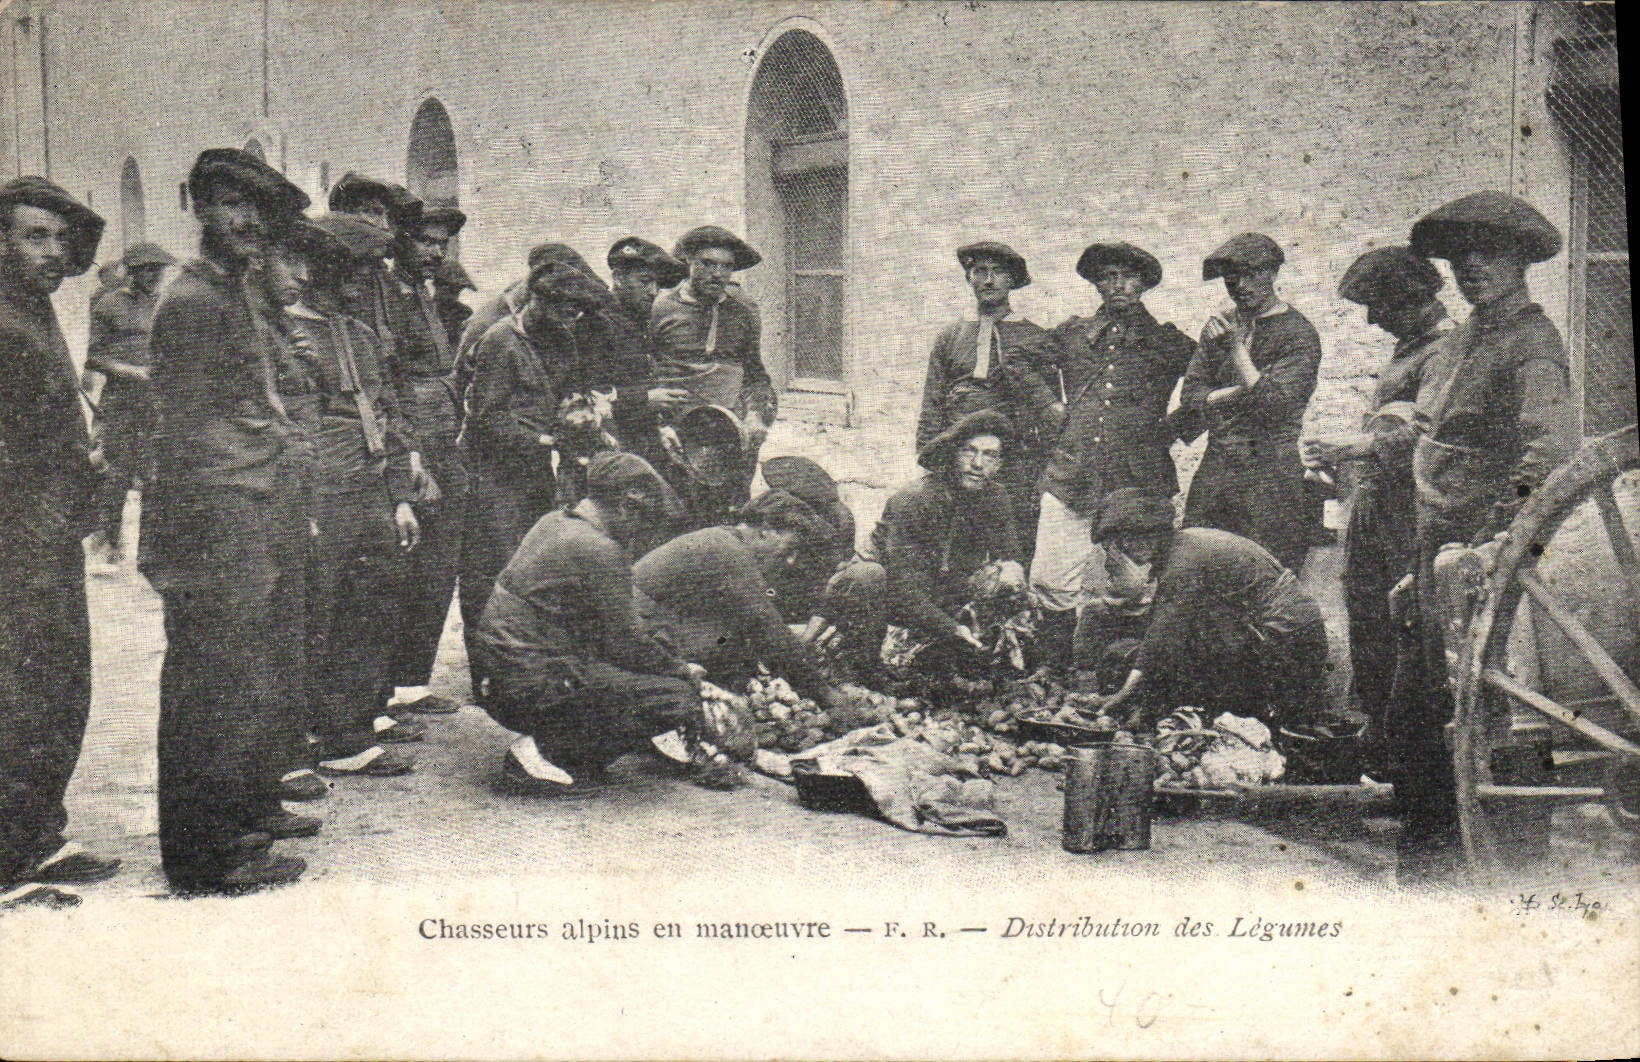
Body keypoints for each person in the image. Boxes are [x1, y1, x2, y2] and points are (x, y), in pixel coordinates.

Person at [1389, 191, 1577, 883]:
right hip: (1434, 549)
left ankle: (1512, 867)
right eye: (1461, 257)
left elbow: (1552, 449)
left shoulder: (1533, 341)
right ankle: (1429, 868)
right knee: (1418, 713)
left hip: (1485, 556)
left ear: (1521, 262)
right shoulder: (1464, 339)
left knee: (1500, 716)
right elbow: (1439, 435)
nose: (1472, 268)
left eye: (1489, 254)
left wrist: (1499, 541)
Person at [141, 148, 314, 893]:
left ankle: (249, 809)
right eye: (228, 205)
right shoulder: (192, 302)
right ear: (198, 209)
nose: (247, 222)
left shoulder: (234, 290)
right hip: (215, 514)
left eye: (258, 211)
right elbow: (184, 433)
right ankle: (205, 855)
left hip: (251, 502)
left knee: (252, 674)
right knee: (210, 686)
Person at [257, 213, 423, 776]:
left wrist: (400, 494)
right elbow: (287, 426)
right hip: (320, 492)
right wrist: (300, 503)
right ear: (320, 270)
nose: (359, 286)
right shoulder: (286, 334)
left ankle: (349, 730)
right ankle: (300, 739)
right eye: (349, 273)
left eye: (367, 274)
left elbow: (388, 413)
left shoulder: (361, 335)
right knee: (313, 618)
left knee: (369, 610)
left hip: (370, 490)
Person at [0, 177, 123, 900]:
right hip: (15, 539)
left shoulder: (33, 311)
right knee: (18, 693)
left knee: (57, 689)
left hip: (46, 535)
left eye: (58, 238)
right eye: (32, 236)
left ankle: (36, 836)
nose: (53, 252)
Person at [475, 452, 704, 796]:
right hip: (527, 682)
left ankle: (565, 752)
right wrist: (681, 670)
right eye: (642, 523)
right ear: (627, 506)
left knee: (632, 680)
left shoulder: (555, 521)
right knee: (675, 698)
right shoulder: (598, 548)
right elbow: (627, 644)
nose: (637, 535)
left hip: (497, 675)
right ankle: (543, 753)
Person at [1302, 247, 1452, 763]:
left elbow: (1425, 430)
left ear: (1408, 301)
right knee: (1367, 615)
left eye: (1378, 306)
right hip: (1375, 505)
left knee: (1401, 623)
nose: (1371, 318)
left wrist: (1352, 446)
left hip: (1410, 512)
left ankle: (1407, 751)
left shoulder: (1447, 351)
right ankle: (1378, 741)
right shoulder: (1410, 348)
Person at [460, 245, 635, 672]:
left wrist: (583, 414)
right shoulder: (500, 341)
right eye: (561, 310)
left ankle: (523, 659)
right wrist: (547, 440)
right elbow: (487, 421)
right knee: (494, 568)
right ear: (536, 300)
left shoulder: (561, 336)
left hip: (537, 472)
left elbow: (570, 390)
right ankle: (488, 669)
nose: (569, 320)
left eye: (576, 313)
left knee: (532, 565)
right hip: (493, 475)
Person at [1032, 241, 1194, 667]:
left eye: (1128, 277)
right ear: (1096, 283)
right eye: (1108, 277)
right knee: (1051, 580)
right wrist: (1049, 406)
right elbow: (1020, 361)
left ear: (1143, 284)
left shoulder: (1168, 343)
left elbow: (1209, 386)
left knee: (1134, 586)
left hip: (1137, 481)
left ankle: (1121, 673)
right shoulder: (1070, 334)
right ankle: (1052, 674)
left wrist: (1170, 431)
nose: (1119, 285)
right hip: (1073, 474)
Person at [1091, 489, 1330, 734]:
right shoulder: (1185, 543)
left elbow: (1164, 638)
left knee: (1182, 653)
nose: (1123, 551)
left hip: (1289, 641)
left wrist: (1123, 695)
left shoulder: (1184, 561)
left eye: (1122, 543)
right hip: (1286, 632)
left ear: (1144, 537)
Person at [822, 410, 1024, 677]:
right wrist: (950, 628)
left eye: (989, 455)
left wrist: (1011, 573)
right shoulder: (914, 501)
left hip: (944, 595)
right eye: (968, 451)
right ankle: (862, 667)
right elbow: (903, 585)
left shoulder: (997, 499)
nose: (977, 463)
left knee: (1008, 579)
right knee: (867, 576)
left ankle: (981, 666)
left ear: (999, 464)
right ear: (952, 455)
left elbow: (1009, 556)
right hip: (889, 596)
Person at [633, 489, 861, 721]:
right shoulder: (726, 550)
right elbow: (767, 627)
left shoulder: (724, 541)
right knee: (737, 634)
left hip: (652, 630)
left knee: (730, 636)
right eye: (789, 548)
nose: (791, 560)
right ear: (765, 532)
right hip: (640, 638)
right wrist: (828, 697)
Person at [1175, 232, 1325, 572]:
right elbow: (1191, 397)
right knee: (1197, 564)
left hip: (1270, 472)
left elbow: (1274, 406)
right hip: (1217, 470)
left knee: (1267, 573)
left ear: (1272, 273)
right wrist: (1241, 391)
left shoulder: (1299, 334)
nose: (1241, 285)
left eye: (1252, 274)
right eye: (1231, 278)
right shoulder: (1221, 326)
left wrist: (1236, 351)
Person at [916, 241, 1062, 564]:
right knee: (952, 545)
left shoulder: (1034, 337)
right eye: (979, 271)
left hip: (1014, 464)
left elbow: (1050, 409)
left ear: (1012, 281)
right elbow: (932, 401)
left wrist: (1044, 471)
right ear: (969, 278)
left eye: (998, 272)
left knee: (1012, 548)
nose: (988, 280)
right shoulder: (951, 336)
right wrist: (931, 454)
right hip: (960, 461)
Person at [380, 203, 471, 718]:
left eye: (442, 244)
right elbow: (390, 379)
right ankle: (384, 686)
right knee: (406, 563)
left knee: (439, 566)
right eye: (426, 242)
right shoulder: (387, 297)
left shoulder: (428, 296)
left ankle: (413, 681)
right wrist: (408, 450)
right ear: (401, 243)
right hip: (411, 441)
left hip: (445, 437)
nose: (436, 252)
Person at [649, 225, 776, 484]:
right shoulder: (660, 307)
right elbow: (644, 372)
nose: (717, 274)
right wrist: (657, 423)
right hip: (676, 430)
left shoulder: (744, 310)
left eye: (726, 266)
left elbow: (755, 373)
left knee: (730, 508)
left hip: (729, 429)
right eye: (707, 264)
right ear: (689, 263)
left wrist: (756, 415)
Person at [83, 240, 176, 570]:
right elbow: (92, 357)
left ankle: (150, 553)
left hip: (157, 402)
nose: (154, 276)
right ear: (134, 272)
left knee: (155, 476)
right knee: (117, 473)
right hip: (122, 402)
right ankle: (107, 544)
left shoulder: (165, 305)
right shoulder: (110, 304)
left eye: (158, 270)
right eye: (147, 269)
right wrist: (132, 371)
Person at [606, 235, 686, 336]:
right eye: (645, 281)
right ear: (619, 278)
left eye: (659, 285)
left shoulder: (645, 325)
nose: (654, 292)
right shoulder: (598, 324)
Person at [432, 258, 476, 351]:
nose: (454, 296)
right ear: (437, 285)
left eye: (458, 291)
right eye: (451, 290)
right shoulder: (425, 311)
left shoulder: (463, 313)